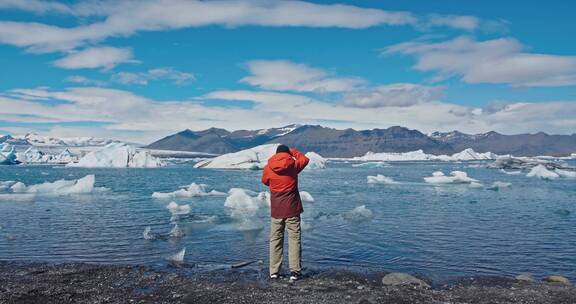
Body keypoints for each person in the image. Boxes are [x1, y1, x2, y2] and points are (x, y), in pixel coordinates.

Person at [261, 144, 309, 281]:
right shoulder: (293, 165)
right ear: (288, 153)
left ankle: (274, 272)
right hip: (292, 208)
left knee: (275, 239)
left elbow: (264, 181)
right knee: (294, 239)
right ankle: (295, 272)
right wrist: (292, 151)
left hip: (276, 209)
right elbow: (305, 159)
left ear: (276, 154)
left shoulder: (268, 167)